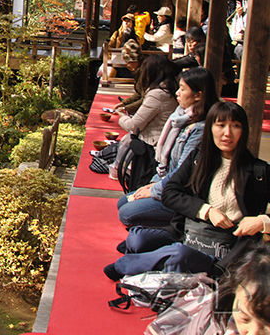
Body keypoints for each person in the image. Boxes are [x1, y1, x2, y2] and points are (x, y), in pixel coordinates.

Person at [104, 101, 270, 280]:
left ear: (243, 131)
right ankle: (158, 259)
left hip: (225, 250)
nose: (227, 133)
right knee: (138, 238)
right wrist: (206, 210)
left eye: (235, 126)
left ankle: (126, 265)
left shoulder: (258, 171)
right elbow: (170, 193)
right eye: (220, 125)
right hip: (189, 234)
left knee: (180, 254)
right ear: (211, 129)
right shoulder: (199, 159)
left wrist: (262, 222)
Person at [116, 68, 218, 228]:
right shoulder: (180, 117)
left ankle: (174, 227)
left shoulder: (199, 128)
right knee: (123, 202)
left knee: (126, 213)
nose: (177, 93)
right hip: (167, 183)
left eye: (183, 89)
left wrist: (154, 190)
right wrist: (153, 184)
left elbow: (182, 172)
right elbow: (169, 166)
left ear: (198, 95)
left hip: (181, 194)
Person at [112, 54, 179, 147]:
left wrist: (122, 116)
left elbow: (134, 126)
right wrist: (125, 105)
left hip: (153, 145)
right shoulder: (169, 88)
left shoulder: (158, 94)